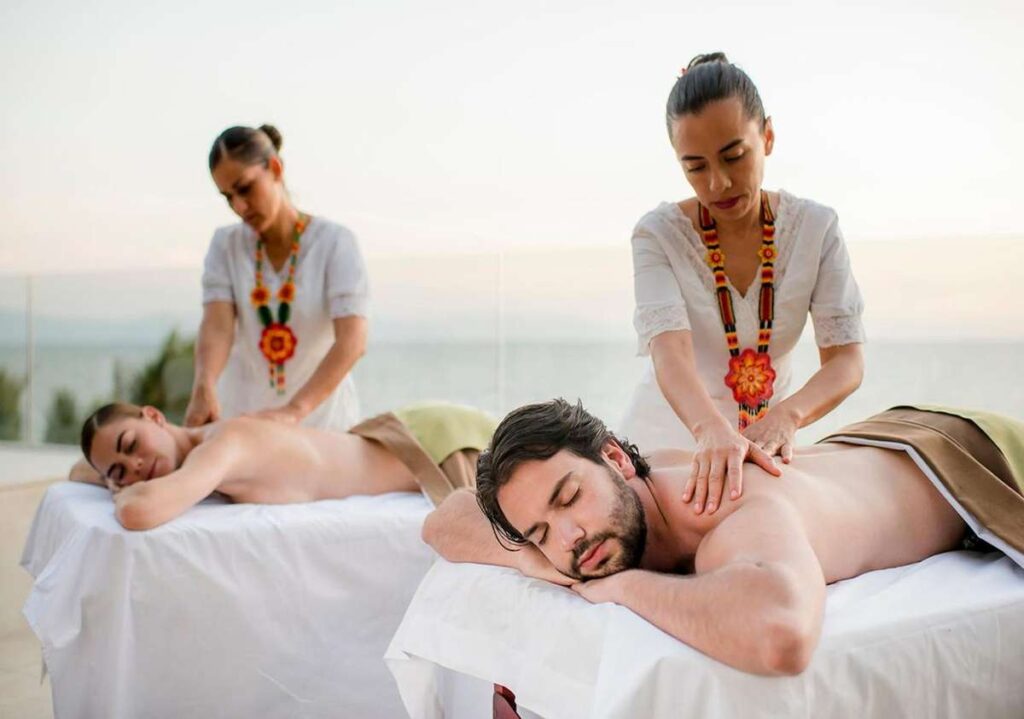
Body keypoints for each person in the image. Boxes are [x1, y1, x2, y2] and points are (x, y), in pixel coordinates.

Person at [424, 399, 1024, 675]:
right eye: (540, 531)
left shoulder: (731, 512)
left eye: (569, 498)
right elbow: (444, 518)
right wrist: (534, 560)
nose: (572, 538)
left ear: (615, 458)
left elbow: (781, 635)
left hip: (976, 458)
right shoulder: (641, 480)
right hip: (864, 443)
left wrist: (626, 588)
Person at [620, 52, 865, 517]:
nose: (718, 183)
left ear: (767, 136)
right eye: (695, 167)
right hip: (667, 443)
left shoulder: (816, 228)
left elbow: (846, 361)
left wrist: (787, 417)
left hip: (766, 445)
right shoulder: (657, 235)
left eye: (734, 155)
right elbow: (670, 353)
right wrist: (711, 431)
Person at [184, 124, 369, 432]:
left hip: (322, 425)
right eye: (227, 197)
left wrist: (293, 412)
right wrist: (204, 385)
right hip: (244, 421)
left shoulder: (335, 243)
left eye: (244, 188)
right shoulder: (225, 245)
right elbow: (217, 327)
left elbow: (352, 341)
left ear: (275, 168)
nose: (238, 207)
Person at [71, 401, 496, 530]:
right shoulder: (208, 445)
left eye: (131, 445)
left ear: (155, 416)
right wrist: (106, 477)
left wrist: (118, 489)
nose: (137, 465)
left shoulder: (221, 446)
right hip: (399, 434)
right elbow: (77, 471)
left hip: (438, 445)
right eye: (120, 472)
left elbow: (137, 511)